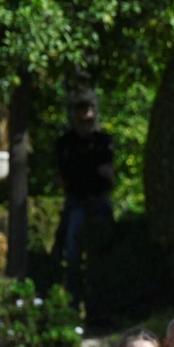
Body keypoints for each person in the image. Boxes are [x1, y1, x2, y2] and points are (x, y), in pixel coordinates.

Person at [53, 92, 115, 304]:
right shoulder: (65, 143)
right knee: (72, 252)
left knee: (105, 250)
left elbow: (107, 171)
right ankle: (73, 302)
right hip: (76, 201)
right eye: (81, 121)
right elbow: (63, 176)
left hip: (98, 199)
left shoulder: (103, 141)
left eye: (88, 120)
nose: (84, 125)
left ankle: (103, 302)